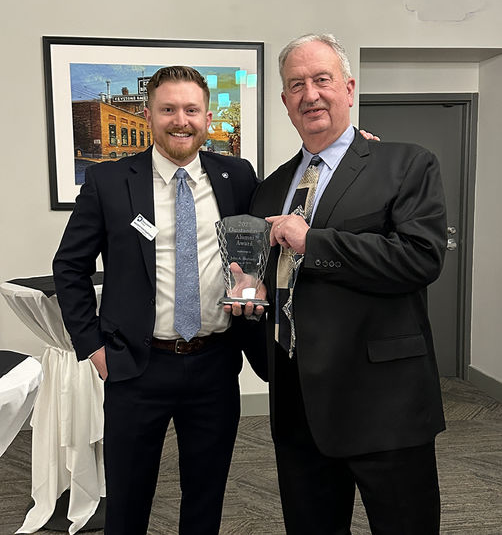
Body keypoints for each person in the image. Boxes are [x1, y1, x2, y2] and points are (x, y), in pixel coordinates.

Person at [52, 66, 266, 535]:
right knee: (128, 502)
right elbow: (69, 267)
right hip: (135, 368)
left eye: (191, 109)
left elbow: (277, 219)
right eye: (168, 109)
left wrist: (355, 144)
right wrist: (92, 346)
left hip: (214, 365)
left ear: (208, 118)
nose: (180, 120)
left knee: (206, 498)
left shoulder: (237, 176)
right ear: (148, 115)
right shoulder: (109, 182)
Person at [249, 34, 447, 534]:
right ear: (284, 102)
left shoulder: (405, 164)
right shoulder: (272, 187)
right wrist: (251, 295)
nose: (310, 94)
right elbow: (273, 281)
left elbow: (420, 259)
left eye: (322, 80)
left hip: (385, 403)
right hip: (297, 403)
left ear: (349, 88)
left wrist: (313, 242)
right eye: (296, 85)